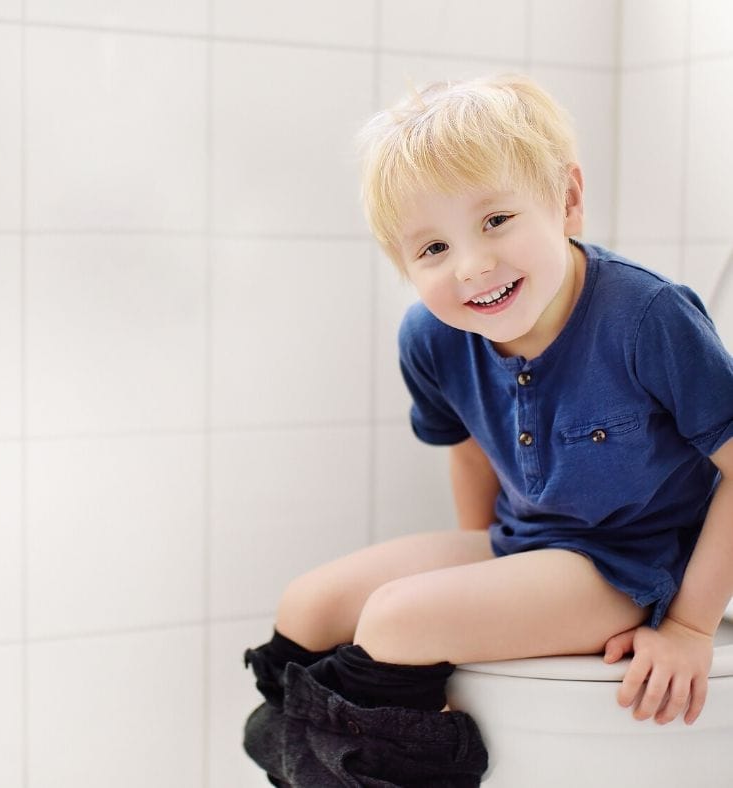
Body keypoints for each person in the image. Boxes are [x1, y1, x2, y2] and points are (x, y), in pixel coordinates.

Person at [241, 74, 733, 788]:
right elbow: (471, 454)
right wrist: (483, 592)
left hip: (636, 563)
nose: (472, 265)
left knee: (396, 623)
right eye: (433, 249)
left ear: (566, 199)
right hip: (525, 543)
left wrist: (689, 627)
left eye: (496, 220)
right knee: (309, 606)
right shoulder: (433, 336)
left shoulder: (644, 316)